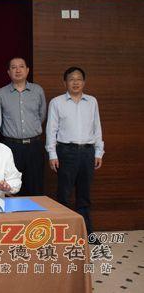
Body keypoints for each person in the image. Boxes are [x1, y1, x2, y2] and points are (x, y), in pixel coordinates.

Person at [46, 67, 104, 239]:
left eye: (79, 79)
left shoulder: (92, 101)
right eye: (71, 79)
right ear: (65, 82)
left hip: (88, 152)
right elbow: (51, 129)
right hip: (66, 152)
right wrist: (52, 154)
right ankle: (62, 234)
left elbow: (97, 127)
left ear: (84, 82)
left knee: (84, 195)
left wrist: (99, 152)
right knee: (64, 194)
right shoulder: (57, 102)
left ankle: (86, 233)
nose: (76, 82)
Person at [0, 57, 47, 195]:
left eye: (21, 66)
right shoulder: (1, 93)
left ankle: (36, 210)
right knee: (12, 187)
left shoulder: (38, 91)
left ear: (27, 70)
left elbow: (42, 115)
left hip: (34, 146)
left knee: (36, 186)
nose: (18, 70)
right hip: (11, 146)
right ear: (8, 72)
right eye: (13, 67)